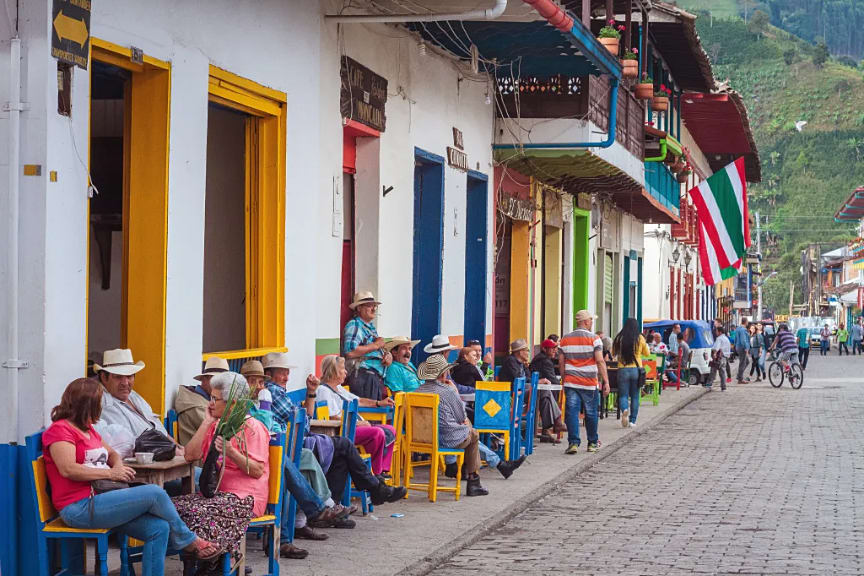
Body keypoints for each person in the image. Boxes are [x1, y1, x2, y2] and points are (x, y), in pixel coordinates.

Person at [43, 378, 220, 576]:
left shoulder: (88, 429)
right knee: (154, 493)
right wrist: (110, 473)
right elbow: (68, 469)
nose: (100, 410)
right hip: (79, 507)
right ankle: (189, 541)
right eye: (97, 405)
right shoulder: (60, 431)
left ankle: (182, 543)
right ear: (86, 406)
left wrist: (117, 467)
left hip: (101, 499)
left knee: (159, 528)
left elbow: (112, 454)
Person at [259, 352, 352, 559]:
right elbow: (300, 418)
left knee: (305, 460)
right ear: (269, 375)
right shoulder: (270, 392)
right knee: (309, 458)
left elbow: (305, 418)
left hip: (280, 449)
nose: (286, 376)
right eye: (281, 372)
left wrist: (311, 392)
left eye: (287, 372)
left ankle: (311, 516)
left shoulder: (272, 394)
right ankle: (320, 509)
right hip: (270, 453)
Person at [179, 372, 270, 572]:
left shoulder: (253, 427)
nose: (210, 403)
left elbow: (257, 470)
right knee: (174, 506)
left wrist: (232, 452)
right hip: (217, 494)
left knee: (199, 512)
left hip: (245, 498)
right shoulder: (216, 426)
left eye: (214, 399)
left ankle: (211, 562)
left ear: (233, 403)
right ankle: (216, 558)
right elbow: (189, 455)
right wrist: (206, 422)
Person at [416, 355, 489, 496]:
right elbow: (461, 416)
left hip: (421, 440)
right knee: (473, 433)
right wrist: (455, 391)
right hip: (447, 440)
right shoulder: (447, 391)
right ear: (443, 373)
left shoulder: (417, 392)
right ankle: (473, 480)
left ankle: (458, 469)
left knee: (469, 430)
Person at [313, 355, 396, 477]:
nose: (346, 372)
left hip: (353, 426)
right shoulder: (323, 390)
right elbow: (332, 417)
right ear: (333, 371)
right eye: (342, 368)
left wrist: (378, 403)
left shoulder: (339, 389)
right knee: (377, 433)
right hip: (342, 431)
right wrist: (358, 423)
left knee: (391, 430)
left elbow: (359, 400)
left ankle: (383, 469)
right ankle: (375, 473)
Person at [92, 349, 183, 458]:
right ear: (104, 377)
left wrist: (177, 446)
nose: (125, 383)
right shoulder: (105, 403)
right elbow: (131, 444)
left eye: (129, 376)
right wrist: (174, 453)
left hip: (169, 455)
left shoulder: (134, 395)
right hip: (148, 464)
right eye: (118, 377)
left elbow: (157, 426)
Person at [559, 310, 609, 454]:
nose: (592, 323)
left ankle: (573, 443)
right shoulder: (594, 339)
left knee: (572, 413)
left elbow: (562, 362)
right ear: (586, 322)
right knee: (591, 413)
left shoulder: (565, 339)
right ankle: (592, 443)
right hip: (589, 383)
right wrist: (606, 381)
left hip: (571, 382)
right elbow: (600, 360)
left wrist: (564, 378)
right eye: (591, 321)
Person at [342, 291, 392, 401]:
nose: (374, 309)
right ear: (359, 308)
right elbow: (350, 351)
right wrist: (375, 345)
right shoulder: (355, 324)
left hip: (373, 378)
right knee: (369, 415)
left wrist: (387, 356)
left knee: (373, 415)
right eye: (369, 306)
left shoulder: (370, 327)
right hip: (364, 376)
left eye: (374, 306)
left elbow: (375, 348)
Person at [175, 356, 228, 445]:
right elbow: (219, 431)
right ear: (205, 379)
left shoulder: (207, 398)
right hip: (199, 455)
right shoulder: (196, 406)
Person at [613, 318, 651, 428]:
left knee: (623, 395)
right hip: (636, 370)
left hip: (622, 369)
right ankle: (632, 421)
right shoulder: (639, 338)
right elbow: (647, 354)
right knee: (635, 396)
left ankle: (624, 409)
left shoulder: (619, 338)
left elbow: (613, 352)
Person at [528, 339, 566, 443]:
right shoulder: (544, 361)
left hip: (536, 392)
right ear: (544, 349)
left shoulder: (541, 359)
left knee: (546, 397)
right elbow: (553, 380)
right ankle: (556, 422)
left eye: (556, 348)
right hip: (531, 393)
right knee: (547, 395)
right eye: (552, 348)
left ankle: (548, 430)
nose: (555, 351)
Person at [707, 326, 731, 391]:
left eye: (716, 331)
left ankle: (709, 384)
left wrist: (714, 354)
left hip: (718, 358)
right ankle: (723, 387)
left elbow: (716, 348)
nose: (716, 332)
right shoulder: (726, 338)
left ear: (720, 332)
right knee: (722, 373)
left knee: (713, 371)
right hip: (725, 358)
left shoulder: (719, 339)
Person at [733, 318, 751, 384]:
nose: (748, 323)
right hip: (742, 348)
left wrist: (735, 345)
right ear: (745, 322)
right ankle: (740, 379)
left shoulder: (738, 329)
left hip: (738, 347)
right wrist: (746, 348)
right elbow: (743, 340)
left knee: (747, 361)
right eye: (747, 322)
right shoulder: (743, 330)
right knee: (742, 363)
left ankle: (739, 375)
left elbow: (735, 338)